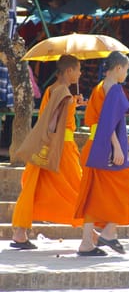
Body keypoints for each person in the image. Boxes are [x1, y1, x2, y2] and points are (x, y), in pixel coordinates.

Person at [74, 51, 129, 256]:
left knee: (93, 196)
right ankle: (108, 232)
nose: (126, 73)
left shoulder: (99, 87)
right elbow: (108, 123)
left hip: (93, 148)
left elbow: (97, 121)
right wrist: (116, 147)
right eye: (126, 69)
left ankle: (87, 243)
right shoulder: (114, 89)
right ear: (117, 69)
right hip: (107, 149)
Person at [10, 54, 84, 249]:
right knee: (79, 189)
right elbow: (54, 122)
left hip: (45, 147)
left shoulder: (53, 89)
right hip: (60, 148)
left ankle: (20, 233)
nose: (80, 73)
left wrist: (72, 103)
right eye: (78, 69)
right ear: (69, 71)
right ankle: (92, 234)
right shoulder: (62, 93)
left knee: (34, 188)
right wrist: (69, 102)